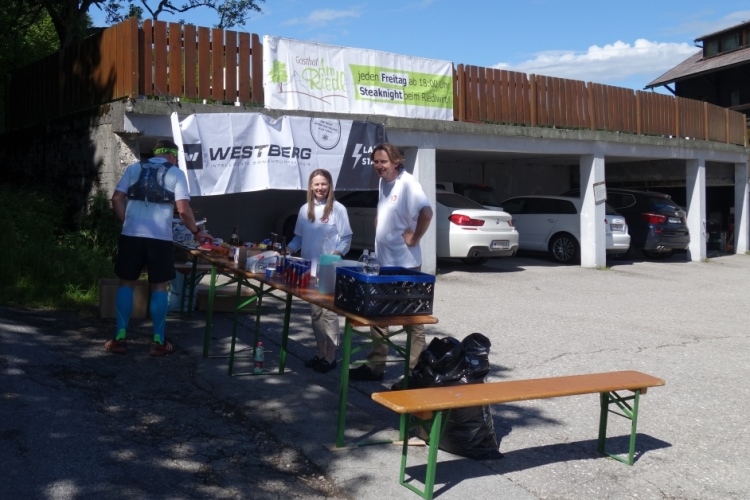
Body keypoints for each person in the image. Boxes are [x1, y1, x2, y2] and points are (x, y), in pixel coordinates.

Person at [105, 139, 213, 356]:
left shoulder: (133, 168)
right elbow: (183, 210)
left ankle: (119, 338)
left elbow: (116, 199)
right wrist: (196, 232)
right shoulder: (176, 173)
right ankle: (158, 341)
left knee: (126, 284)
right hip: (159, 238)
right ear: (172, 155)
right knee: (159, 287)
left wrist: (127, 222)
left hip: (131, 235)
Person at [348, 143, 434, 385]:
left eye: (383, 161)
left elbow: (427, 213)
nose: (378, 166)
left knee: (413, 320)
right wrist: (381, 218)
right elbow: (390, 209)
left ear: (396, 161)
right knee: (378, 316)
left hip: (405, 266)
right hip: (382, 264)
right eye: (375, 161)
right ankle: (376, 367)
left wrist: (415, 238)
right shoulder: (383, 182)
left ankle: (415, 373)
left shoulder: (408, 183)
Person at [285, 169, 353, 373]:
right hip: (309, 270)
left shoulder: (338, 209)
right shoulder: (305, 209)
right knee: (315, 314)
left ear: (330, 185)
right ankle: (320, 353)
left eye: (324, 184)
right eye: (316, 184)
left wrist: (334, 255)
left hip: (328, 270)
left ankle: (331, 356)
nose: (320, 188)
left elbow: (346, 238)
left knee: (329, 314)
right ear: (311, 186)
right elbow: (299, 238)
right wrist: (287, 250)